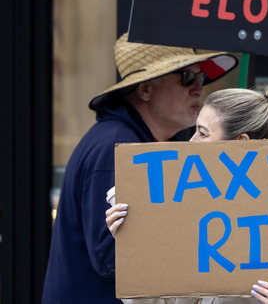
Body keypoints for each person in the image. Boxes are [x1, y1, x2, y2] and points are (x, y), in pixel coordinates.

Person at [43, 34, 238, 304]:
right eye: (185, 78)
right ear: (145, 90)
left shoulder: (130, 142)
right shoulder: (118, 147)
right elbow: (113, 258)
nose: (199, 89)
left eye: (200, 78)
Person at [105, 87, 268, 304]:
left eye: (202, 133)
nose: (190, 142)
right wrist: (135, 248)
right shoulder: (185, 213)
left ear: (240, 144)